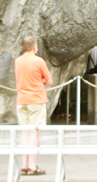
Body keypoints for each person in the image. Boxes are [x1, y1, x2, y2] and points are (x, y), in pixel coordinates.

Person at [15, 36, 52, 176]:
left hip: (22, 99)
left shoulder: (18, 61)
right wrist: (40, 80)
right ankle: (32, 166)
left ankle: (24, 165)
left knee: (25, 131)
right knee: (35, 131)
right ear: (34, 46)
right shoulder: (38, 61)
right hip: (36, 99)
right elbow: (49, 80)